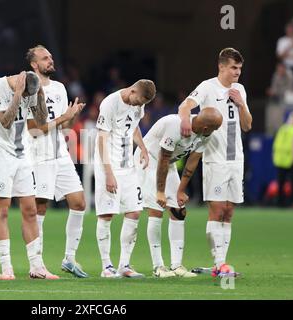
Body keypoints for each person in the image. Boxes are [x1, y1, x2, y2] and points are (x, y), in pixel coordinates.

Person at [178, 48, 252, 277]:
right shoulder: (207, 87)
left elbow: (247, 125)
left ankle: (221, 263)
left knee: (229, 211)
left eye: (239, 68)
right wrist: (185, 121)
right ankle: (219, 264)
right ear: (221, 67)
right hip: (215, 159)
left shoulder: (239, 90)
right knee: (217, 209)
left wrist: (241, 104)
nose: (237, 72)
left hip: (235, 159)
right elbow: (185, 105)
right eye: (233, 67)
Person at [0, 69, 59, 280]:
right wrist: (18, 95)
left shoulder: (32, 89)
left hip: (23, 155)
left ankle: (37, 267)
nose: (28, 99)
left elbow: (41, 120)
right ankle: (7, 268)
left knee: (30, 210)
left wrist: (41, 97)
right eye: (27, 94)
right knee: (2, 210)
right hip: (1, 154)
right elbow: (6, 122)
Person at [134, 108, 223, 278]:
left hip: (168, 164)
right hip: (149, 161)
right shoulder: (175, 126)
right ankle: (158, 267)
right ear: (205, 127)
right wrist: (160, 191)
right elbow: (163, 157)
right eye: (215, 128)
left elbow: (192, 161)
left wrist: (181, 190)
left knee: (179, 211)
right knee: (156, 209)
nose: (216, 131)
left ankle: (176, 265)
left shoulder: (205, 134)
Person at [25, 45, 89, 278]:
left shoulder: (60, 88)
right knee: (40, 207)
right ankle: (37, 265)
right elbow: (34, 130)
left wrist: (72, 116)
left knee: (79, 202)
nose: (50, 61)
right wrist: (64, 117)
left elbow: (64, 126)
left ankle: (70, 259)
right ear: (34, 65)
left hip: (60, 153)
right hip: (39, 156)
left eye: (51, 57)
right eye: (45, 58)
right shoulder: (28, 88)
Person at [95, 79, 156, 278]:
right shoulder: (110, 104)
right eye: (138, 101)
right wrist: (108, 174)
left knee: (135, 212)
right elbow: (101, 139)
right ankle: (106, 267)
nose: (139, 105)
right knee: (107, 215)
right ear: (132, 91)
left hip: (127, 166)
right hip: (109, 166)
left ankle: (124, 265)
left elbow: (134, 127)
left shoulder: (139, 104)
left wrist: (144, 148)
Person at [272, 110, 293, 207]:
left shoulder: (282, 128)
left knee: (281, 183)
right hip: (291, 161)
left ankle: (280, 203)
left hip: (280, 160)